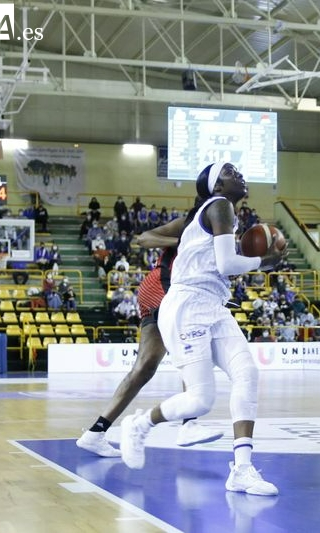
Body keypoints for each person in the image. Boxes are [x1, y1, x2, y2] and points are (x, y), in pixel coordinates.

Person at [118, 162, 286, 496]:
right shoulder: (219, 205)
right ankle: (139, 424)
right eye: (229, 171)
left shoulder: (221, 214)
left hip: (213, 304)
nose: (239, 173)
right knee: (200, 400)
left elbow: (221, 265)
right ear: (217, 187)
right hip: (187, 305)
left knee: (247, 374)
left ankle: (242, 470)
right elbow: (227, 264)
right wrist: (264, 262)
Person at [77, 217, 224, 457]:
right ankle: (189, 424)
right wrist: (181, 241)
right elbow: (144, 238)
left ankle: (95, 433)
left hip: (162, 290)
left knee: (145, 367)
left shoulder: (223, 230)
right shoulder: (193, 221)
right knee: (191, 346)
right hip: (165, 285)